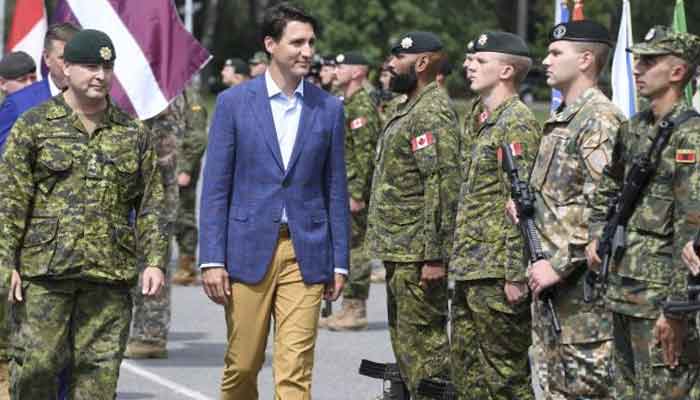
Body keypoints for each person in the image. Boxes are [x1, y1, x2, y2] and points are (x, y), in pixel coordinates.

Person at [0, 29, 166, 399]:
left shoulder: (132, 132)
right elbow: (10, 201)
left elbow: (151, 203)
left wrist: (154, 261)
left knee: (98, 377)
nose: (100, 76)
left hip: (109, 276)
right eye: (91, 67)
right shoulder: (34, 125)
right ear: (67, 67)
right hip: (45, 276)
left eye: (107, 68)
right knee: (36, 368)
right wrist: (6, 262)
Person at [198, 3, 349, 399]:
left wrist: (339, 261)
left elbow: (335, 188)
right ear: (271, 44)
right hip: (246, 251)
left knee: (295, 370)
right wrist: (212, 259)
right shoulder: (233, 103)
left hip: (306, 252)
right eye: (297, 42)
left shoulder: (328, 108)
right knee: (243, 364)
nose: (307, 51)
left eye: (311, 43)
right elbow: (215, 188)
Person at [507, 20, 624, 399]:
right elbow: (565, 196)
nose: (546, 61)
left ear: (586, 60)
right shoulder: (564, 117)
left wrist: (558, 265)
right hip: (554, 290)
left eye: (557, 53)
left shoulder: (599, 120)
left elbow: (606, 208)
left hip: (582, 295)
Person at [587, 26, 700, 399]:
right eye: (638, 60)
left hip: (660, 301)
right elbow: (610, 185)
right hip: (622, 289)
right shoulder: (634, 128)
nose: (637, 68)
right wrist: (596, 232)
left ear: (677, 72)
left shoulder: (690, 136)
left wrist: (677, 309)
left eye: (650, 61)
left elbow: (692, 227)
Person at [365, 31, 460, 399]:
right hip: (400, 250)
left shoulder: (432, 111)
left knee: (427, 354)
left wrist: (435, 255)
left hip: (418, 255)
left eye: (398, 58)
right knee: (407, 348)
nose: (390, 64)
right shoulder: (407, 106)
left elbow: (442, 185)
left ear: (421, 63)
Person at [450, 31, 540, 400]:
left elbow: (520, 204)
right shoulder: (480, 117)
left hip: (497, 271)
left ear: (506, 71)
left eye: (480, 60)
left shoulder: (516, 122)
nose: (468, 65)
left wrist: (515, 273)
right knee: (467, 375)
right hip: (471, 266)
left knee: (506, 379)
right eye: (470, 58)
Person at [319, 51, 381, 331]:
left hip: (354, 189)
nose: (336, 70)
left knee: (356, 248)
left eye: (342, 66)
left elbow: (365, 154)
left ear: (357, 72)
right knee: (344, 244)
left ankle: (356, 309)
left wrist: (357, 193)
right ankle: (345, 306)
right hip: (340, 185)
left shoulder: (362, 106)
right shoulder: (344, 101)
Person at [0, 52, 37, 151]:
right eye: (22, 80)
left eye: (33, 78)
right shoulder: (10, 109)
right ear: (2, 83)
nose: (30, 84)